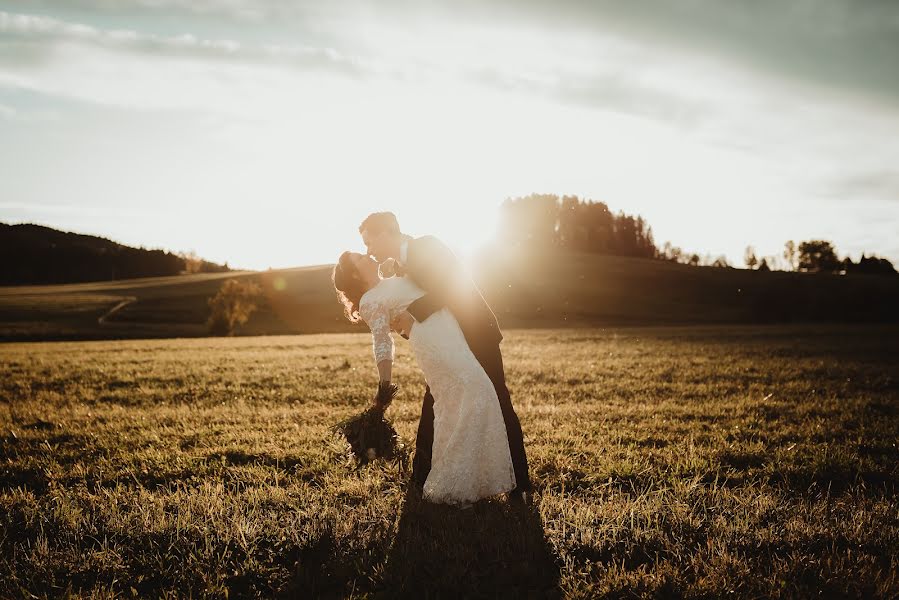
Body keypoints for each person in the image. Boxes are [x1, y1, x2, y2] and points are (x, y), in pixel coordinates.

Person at [358, 212, 532, 502]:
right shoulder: (401, 265)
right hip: (446, 346)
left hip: (476, 334)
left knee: (499, 400)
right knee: (433, 407)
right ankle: (421, 477)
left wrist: (409, 314)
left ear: (386, 233)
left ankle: (521, 485)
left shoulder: (426, 246)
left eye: (369, 242)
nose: (369, 250)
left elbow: (447, 286)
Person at [332, 251, 516, 506]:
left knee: (458, 404)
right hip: (432, 343)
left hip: (452, 333)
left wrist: (399, 264)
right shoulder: (369, 300)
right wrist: (384, 384)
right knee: (477, 390)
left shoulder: (393, 278)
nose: (368, 256)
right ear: (354, 274)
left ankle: (470, 483)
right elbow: (382, 340)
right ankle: (454, 485)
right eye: (361, 258)